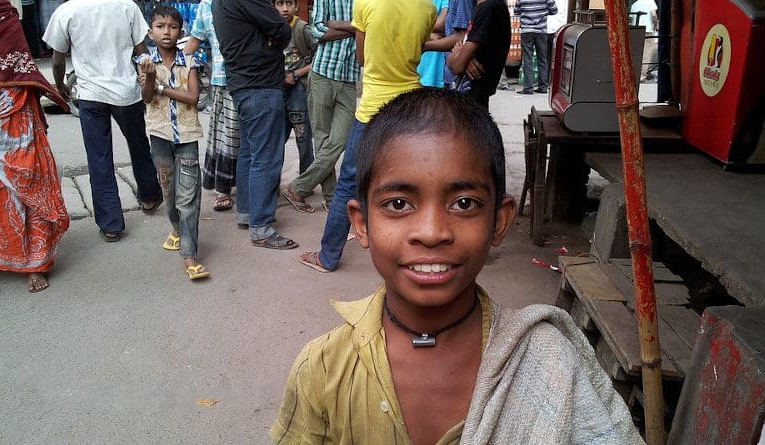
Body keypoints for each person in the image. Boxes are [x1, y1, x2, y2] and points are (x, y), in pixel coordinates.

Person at [270, 88, 644, 444]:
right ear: (362, 223)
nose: (432, 233)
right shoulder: (322, 368)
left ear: (499, 221)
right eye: (399, 204)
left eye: (464, 203)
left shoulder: (550, 363)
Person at [296, 0, 435, 272]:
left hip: (373, 108)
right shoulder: (426, 8)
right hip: (409, 108)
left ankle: (327, 257)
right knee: (407, 186)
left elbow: (362, 58)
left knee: (349, 182)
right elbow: (418, 51)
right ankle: (409, 256)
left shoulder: (367, 3)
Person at [0, 0, 70, 293]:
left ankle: (35, 264)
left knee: (26, 179)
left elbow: (21, 65)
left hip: (10, 107)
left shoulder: (2, 13)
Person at [43, 0, 163, 243]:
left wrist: (60, 84)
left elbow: (57, 59)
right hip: (126, 92)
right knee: (139, 145)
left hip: (90, 95)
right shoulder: (126, 6)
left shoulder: (67, 11)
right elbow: (142, 51)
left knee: (99, 158)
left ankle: (111, 224)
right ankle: (150, 196)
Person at [213, 0, 298, 249]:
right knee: (266, 157)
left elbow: (276, 31)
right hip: (260, 85)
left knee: (250, 153)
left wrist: (268, 33)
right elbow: (283, 31)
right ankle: (260, 227)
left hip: (244, 84)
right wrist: (270, 35)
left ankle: (248, 214)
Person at [138, 6, 209, 280]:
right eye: (160, 26)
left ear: (181, 32)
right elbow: (146, 98)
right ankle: (177, 229)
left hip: (187, 135)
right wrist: (151, 80)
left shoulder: (190, 60)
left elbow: (193, 97)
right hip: (159, 134)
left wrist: (160, 88)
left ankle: (189, 254)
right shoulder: (145, 62)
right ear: (150, 31)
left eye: (172, 27)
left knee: (188, 196)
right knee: (169, 193)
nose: (166, 32)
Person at [279, 0, 359, 214]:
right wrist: (355, 28)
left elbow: (368, 28)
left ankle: (298, 187)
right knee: (323, 138)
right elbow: (317, 32)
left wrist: (341, 25)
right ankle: (331, 196)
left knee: (341, 140)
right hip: (323, 72)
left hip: (350, 77)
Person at [184, 0, 240, 213]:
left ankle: (249, 186)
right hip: (222, 80)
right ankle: (223, 188)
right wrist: (173, 67)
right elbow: (195, 39)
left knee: (245, 137)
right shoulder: (206, 5)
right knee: (225, 136)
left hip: (251, 78)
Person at [276, 0, 317, 176]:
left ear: (296, 6)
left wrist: (297, 74)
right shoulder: (271, 27)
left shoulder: (303, 29)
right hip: (277, 90)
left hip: (298, 91)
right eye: (280, 4)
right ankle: (272, 182)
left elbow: (319, 59)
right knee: (275, 140)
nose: (285, 9)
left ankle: (304, 182)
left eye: (289, 4)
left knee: (303, 138)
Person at [447, 0, 511, 107]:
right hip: (473, 96)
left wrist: (458, 56)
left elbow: (456, 66)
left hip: (472, 97)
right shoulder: (486, 7)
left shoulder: (488, 9)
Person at [514, 0, 557, 94]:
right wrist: (543, 12)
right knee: (542, 59)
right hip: (541, 31)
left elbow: (516, 11)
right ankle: (543, 87)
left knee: (527, 59)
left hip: (526, 30)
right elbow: (554, 10)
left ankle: (528, 88)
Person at [417, 0, 449, 88]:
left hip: (435, 67)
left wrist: (419, 30)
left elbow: (442, 23)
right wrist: (429, 35)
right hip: (416, 67)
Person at [630, 0, 658, 81]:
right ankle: (642, 75)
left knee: (637, 53)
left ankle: (635, 73)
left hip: (636, 30)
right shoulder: (650, 1)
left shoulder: (634, 4)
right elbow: (654, 15)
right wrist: (655, 26)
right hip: (648, 30)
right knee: (647, 53)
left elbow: (631, 18)